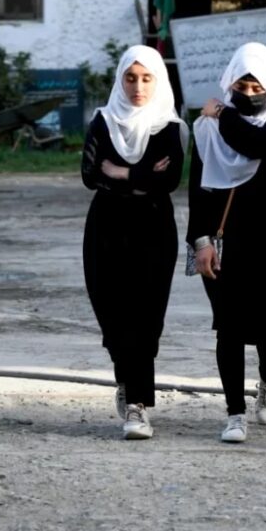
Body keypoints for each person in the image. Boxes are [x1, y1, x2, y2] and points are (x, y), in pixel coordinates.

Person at [188, 42, 266, 444]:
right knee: (228, 326)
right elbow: (198, 190)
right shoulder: (205, 129)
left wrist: (223, 113)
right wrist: (200, 241)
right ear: (229, 82)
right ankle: (234, 413)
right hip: (226, 239)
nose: (248, 93)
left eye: (257, 86)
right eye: (241, 85)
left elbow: (262, 143)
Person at [81, 45, 187, 440]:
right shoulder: (103, 121)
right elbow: (90, 174)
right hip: (106, 226)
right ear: (120, 80)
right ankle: (125, 378)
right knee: (112, 312)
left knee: (145, 315)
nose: (138, 87)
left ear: (158, 81)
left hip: (153, 228)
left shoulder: (169, 127)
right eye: (130, 78)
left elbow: (169, 180)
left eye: (146, 78)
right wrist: (143, 175)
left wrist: (123, 173)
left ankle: (138, 404)